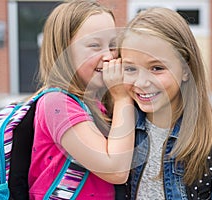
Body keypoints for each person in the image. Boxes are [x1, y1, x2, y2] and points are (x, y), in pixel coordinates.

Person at [117, 7, 212, 199]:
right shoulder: (117, 132)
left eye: (157, 68)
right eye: (130, 68)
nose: (141, 83)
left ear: (185, 69)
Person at [28, 0, 135, 199]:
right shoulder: (57, 103)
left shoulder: (96, 102)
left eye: (112, 45)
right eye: (95, 45)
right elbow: (116, 170)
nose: (108, 56)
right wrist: (121, 97)